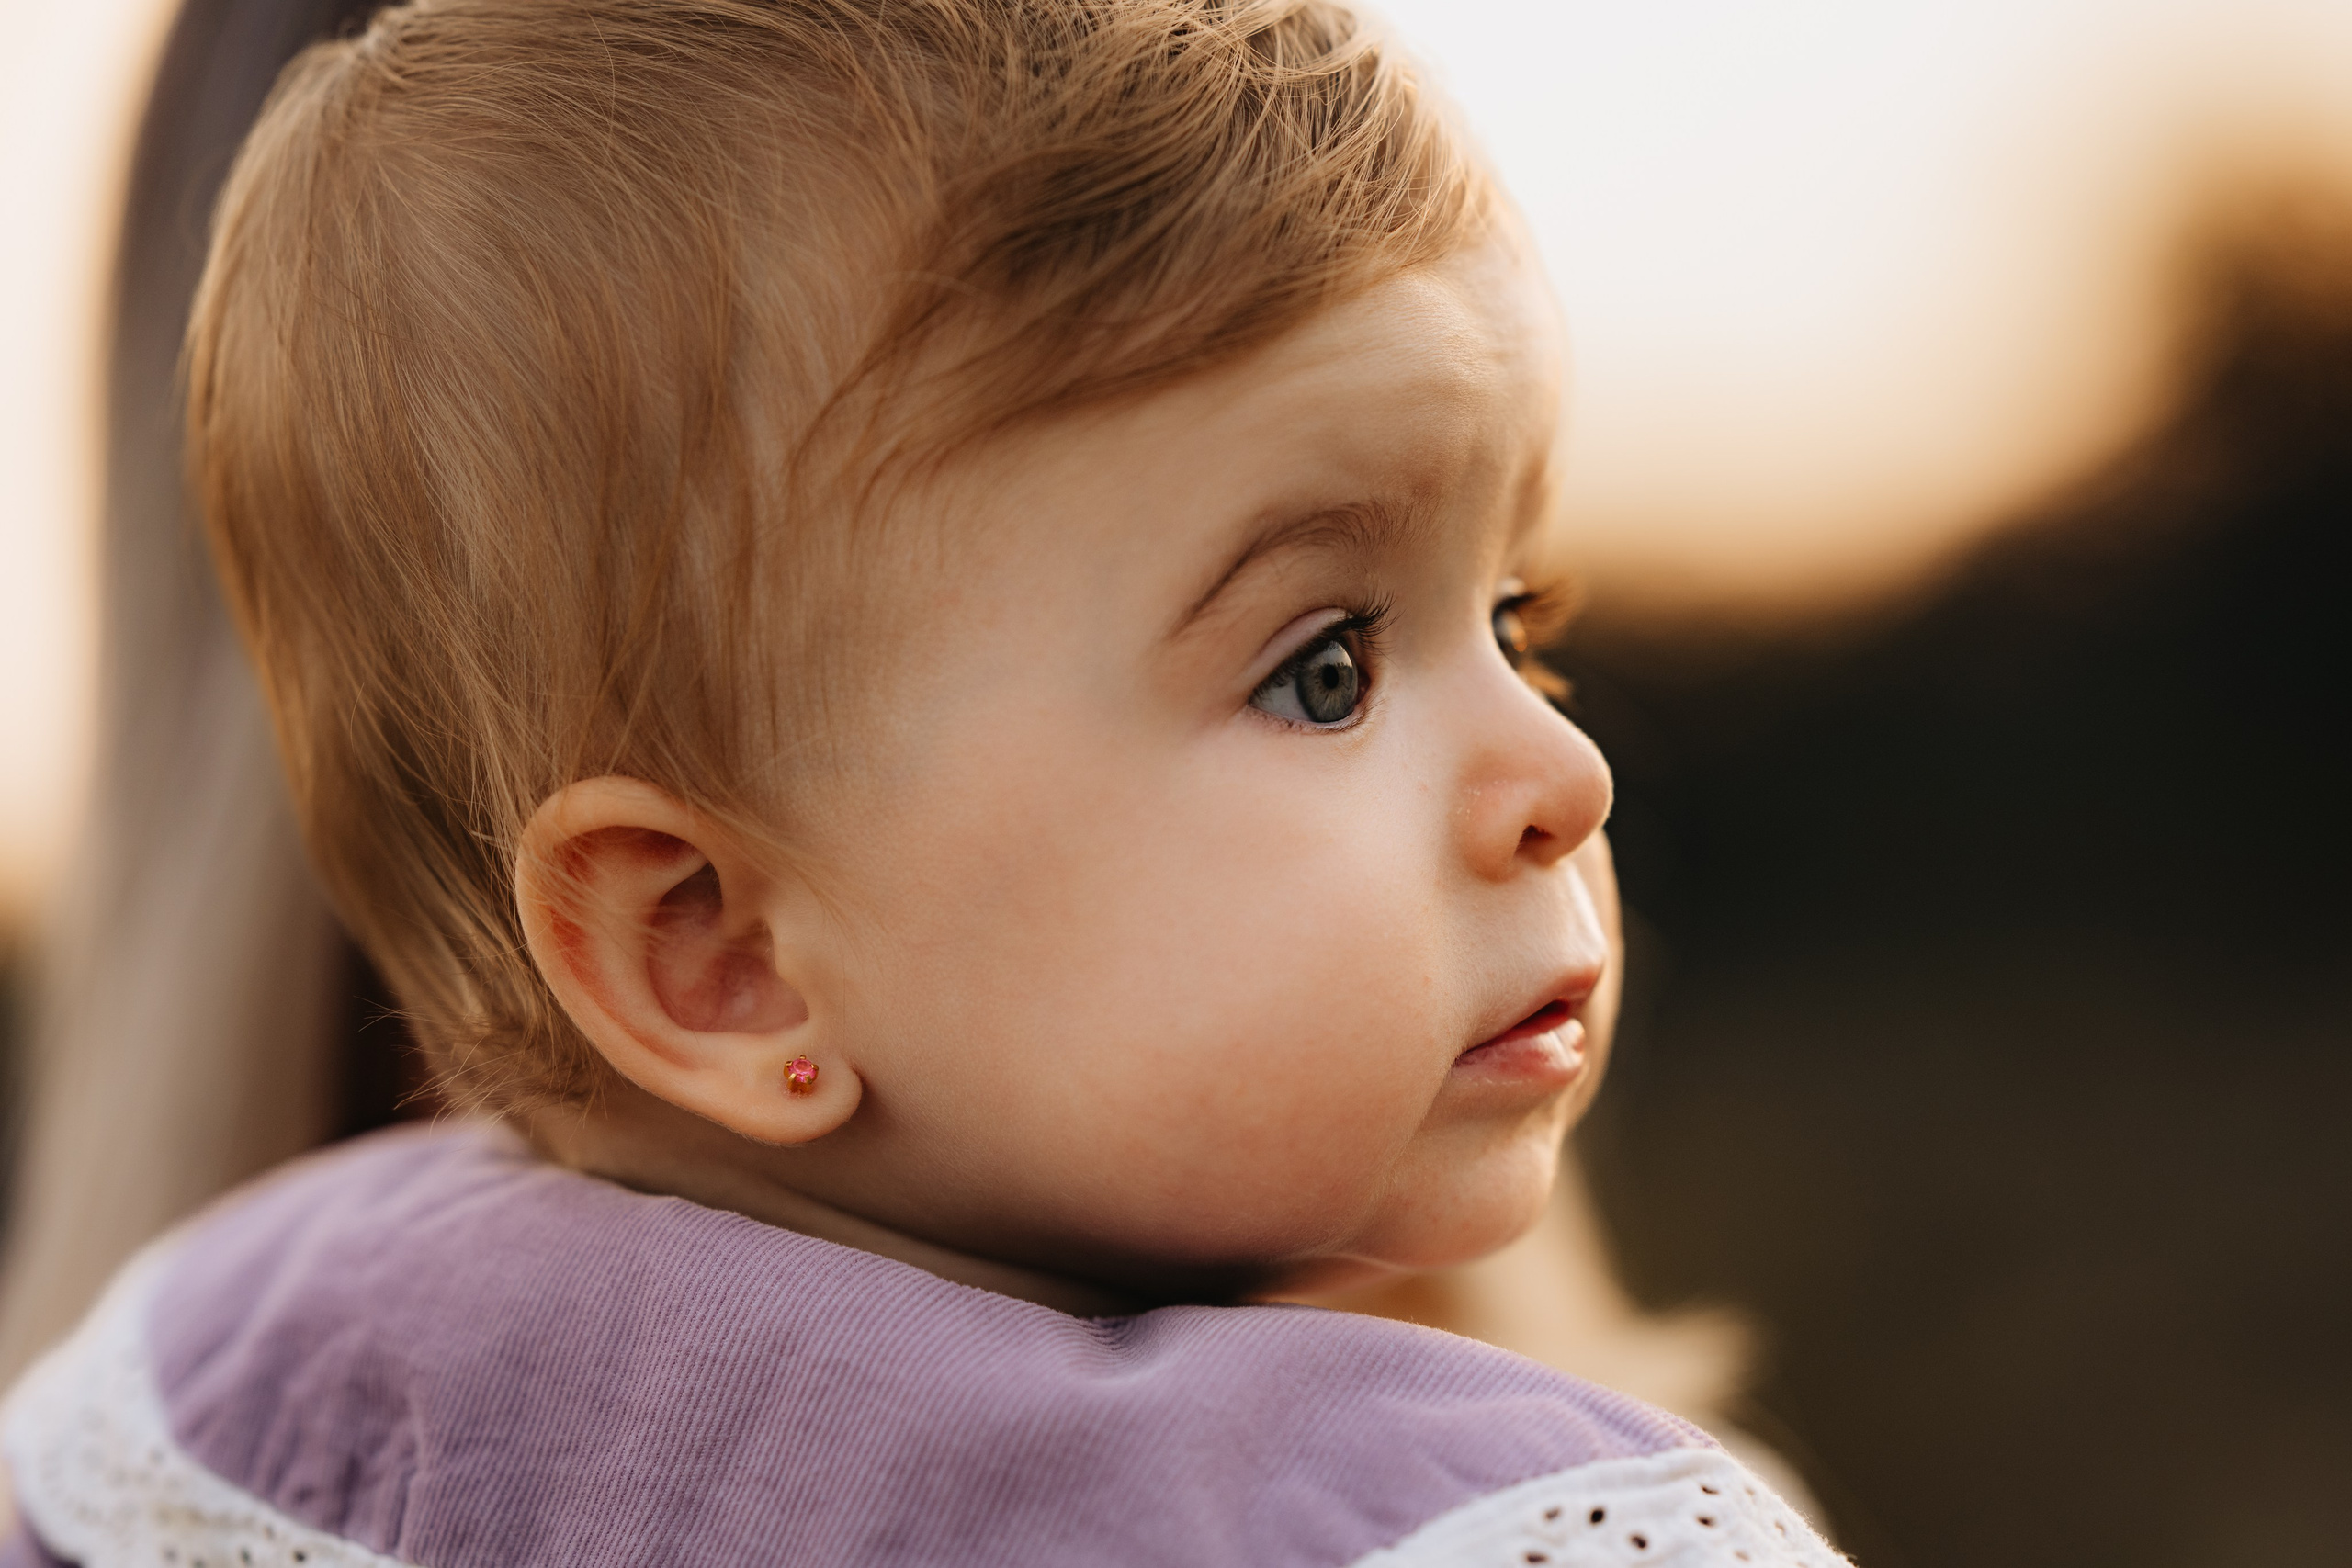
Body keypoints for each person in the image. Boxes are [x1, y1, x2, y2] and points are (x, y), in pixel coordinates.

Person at [1, 2, 1842, 1562]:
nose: (1563, 772)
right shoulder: (1427, 1516)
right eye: (1325, 670)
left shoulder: (226, 1407)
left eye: (1515, 619)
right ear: (719, 952)